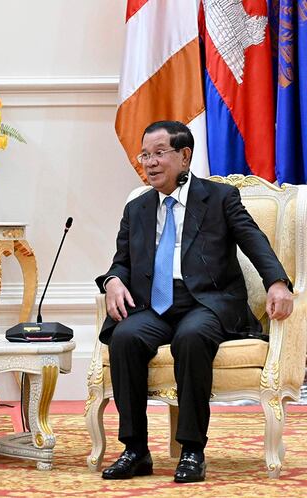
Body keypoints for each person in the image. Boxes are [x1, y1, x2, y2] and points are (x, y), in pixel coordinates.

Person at [96, 121, 293, 483]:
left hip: (207, 302)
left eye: (159, 153)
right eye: (145, 155)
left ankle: (191, 450)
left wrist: (277, 282)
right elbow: (121, 261)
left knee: (191, 337)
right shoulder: (137, 209)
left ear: (184, 156)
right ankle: (136, 449)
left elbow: (253, 240)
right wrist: (111, 282)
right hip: (153, 305)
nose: (150, 163)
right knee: (124, 337)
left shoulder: (219, 198)